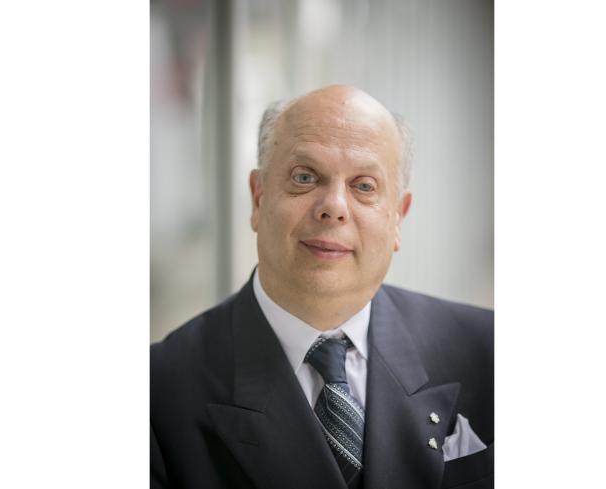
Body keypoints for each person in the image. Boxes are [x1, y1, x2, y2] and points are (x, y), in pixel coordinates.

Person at [151, 85, 493, 489]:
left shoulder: (490, 352)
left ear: (398, 217)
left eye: (364, 186)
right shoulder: (157, 393)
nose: (334, 206)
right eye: (305, 177)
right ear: (258, 199)